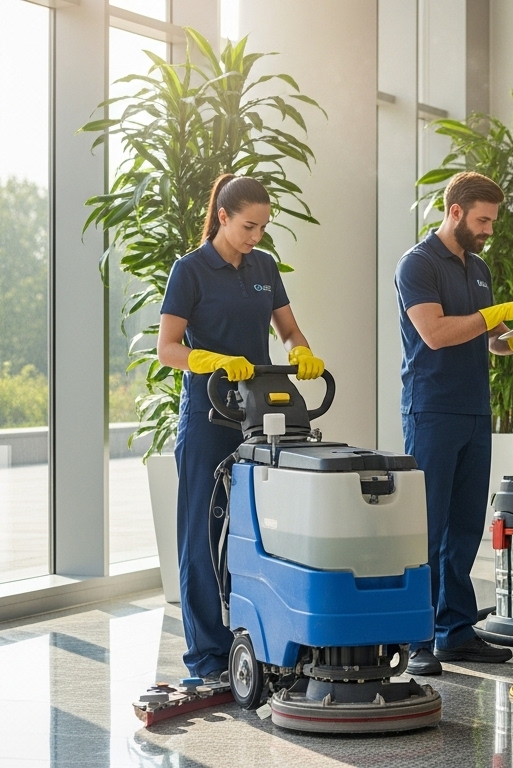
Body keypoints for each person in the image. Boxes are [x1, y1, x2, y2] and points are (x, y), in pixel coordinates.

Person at [157, 174, 326, 680]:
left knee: (257, 530)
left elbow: (288, 329)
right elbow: (167, 348)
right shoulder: (190, 270)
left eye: (263, 227)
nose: (256, 235)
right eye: (249, 226)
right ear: (223, 217)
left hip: (259, 416)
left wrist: (301, 351)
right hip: (208, 415)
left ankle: (255, 643)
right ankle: (207, 656)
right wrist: (210, 359)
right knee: (202, 535)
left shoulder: (264, 267)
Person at [395, 171, 513, 674]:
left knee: (465, 527)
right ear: (456, 211)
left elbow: (493, 338)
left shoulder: (478, 267)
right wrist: (497, 314)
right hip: (432, 408)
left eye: (492, 222)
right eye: (483, 220)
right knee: (428, 529)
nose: (488, 230)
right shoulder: (417, 264)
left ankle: (456, 631)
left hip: (473, 408)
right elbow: (436, 333)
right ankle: (418, 640)